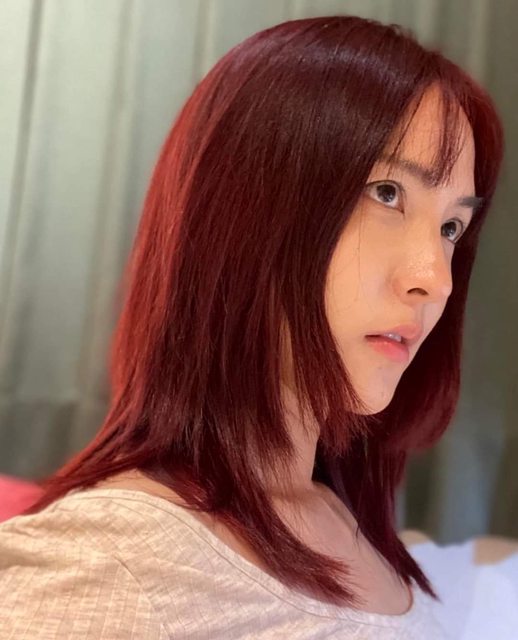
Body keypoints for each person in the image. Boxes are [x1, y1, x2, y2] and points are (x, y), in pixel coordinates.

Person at [0, 14, 504, 639]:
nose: (436, 278)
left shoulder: (339, 513)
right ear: (243, 211)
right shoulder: (110, 563)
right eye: (387, 193)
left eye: (451, 227)